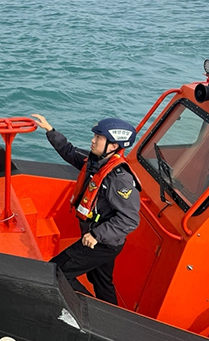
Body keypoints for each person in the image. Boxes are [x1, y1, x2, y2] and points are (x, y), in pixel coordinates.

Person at [31, 114, 140, 305]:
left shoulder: (119, 178)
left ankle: (91, 309)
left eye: (98, 138)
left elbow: (130, 219)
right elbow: (70, 152)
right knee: (102, 282)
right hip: (100, 239)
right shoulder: (96, 162)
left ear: (113, 146)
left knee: (56, 271)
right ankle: (112, 316)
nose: (93, 140)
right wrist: (50, 130)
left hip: (101, 243)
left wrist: (97, 235)